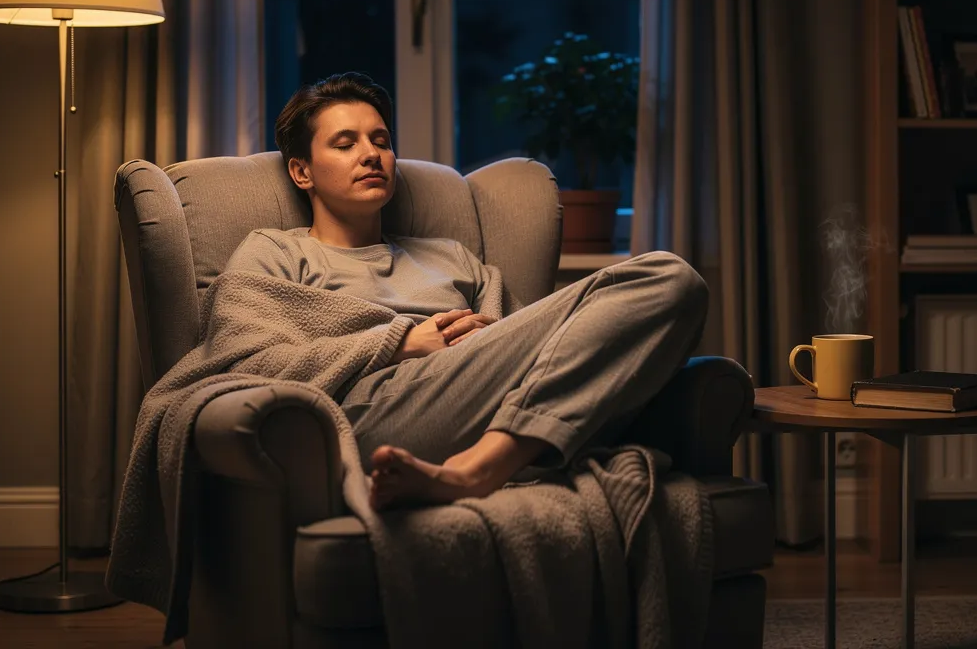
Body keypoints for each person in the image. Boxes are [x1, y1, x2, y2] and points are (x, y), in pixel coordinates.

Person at [224, 72, 708, 511]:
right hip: (372, 416)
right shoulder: (276, 253)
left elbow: (537, 347)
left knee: (670, 280)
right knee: (663, 275)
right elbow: (244, 367)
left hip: (479, 399)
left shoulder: (450, 257)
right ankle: (485, 467)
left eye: (381, 140)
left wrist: (484, 340)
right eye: (346, 143)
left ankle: (484, 463)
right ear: (302, 172)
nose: (372, 154)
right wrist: (400, 344)